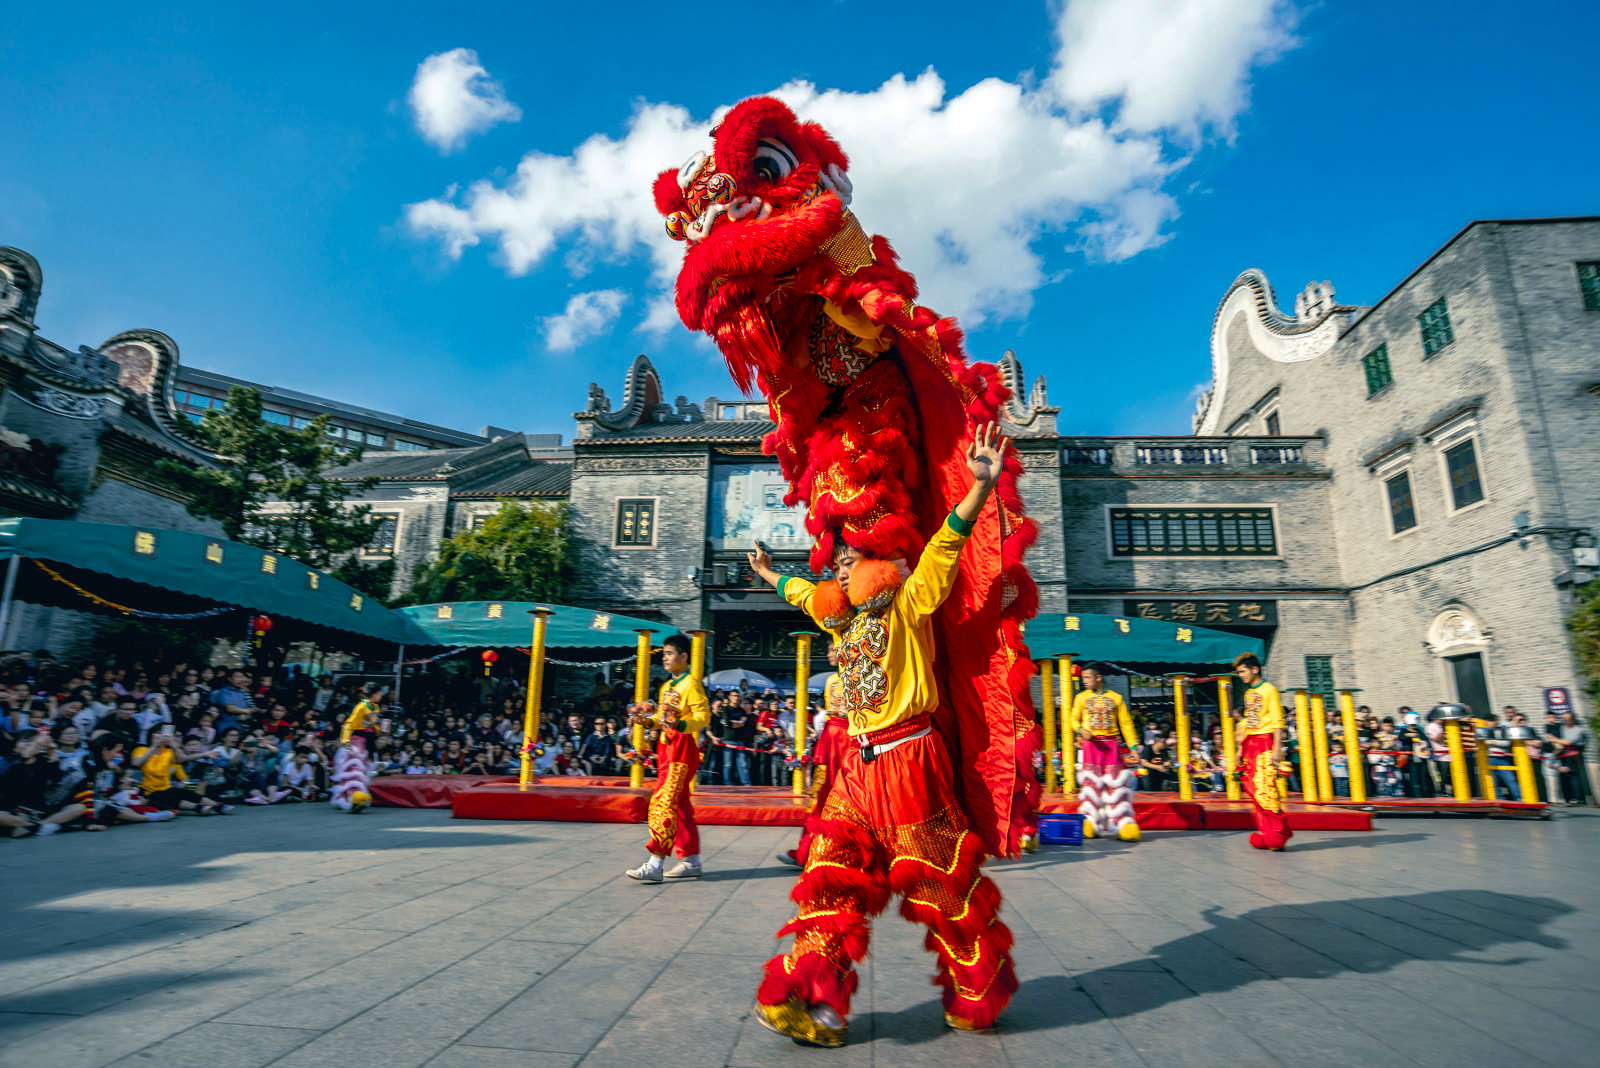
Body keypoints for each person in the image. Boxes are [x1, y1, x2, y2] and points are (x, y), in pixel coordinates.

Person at [745, 423, 1017, 1045]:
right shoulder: (839, 618)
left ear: (880, 554)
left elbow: (948, 542)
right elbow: (798, 593)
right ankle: (817, 997)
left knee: (939, 882)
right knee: (830, 872)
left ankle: (978, 987)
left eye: (849, 552)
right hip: (858, 769)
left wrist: (981, 485)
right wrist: (766, 573)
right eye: (835, 555)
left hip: (912, 761)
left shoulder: (910, 600)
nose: (839, 561)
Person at [624, 634, 712, 883]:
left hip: (682, 750)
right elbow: (662, 719)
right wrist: (645, 720)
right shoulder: (667, 687)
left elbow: (703, 716)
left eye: (670, 653)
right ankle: (691, 860)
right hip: (666, 749)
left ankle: (655, 863)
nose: (665, 657)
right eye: (663, 653)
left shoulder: (691, 684)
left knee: (662, 802)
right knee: (680, 806)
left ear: (684, 656)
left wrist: (682, 723)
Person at [779, 642, 850, 867]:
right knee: (818, 796)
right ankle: (807, 851)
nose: (828, 654)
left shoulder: (861, 673)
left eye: (833, 650)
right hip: (831, 738)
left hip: (851, 738)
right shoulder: (831, 680)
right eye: (828, 649)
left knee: (849, 797)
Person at [1071, 665, 1142, 841]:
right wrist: (1081, 729)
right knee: (1091, 785)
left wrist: (1133, 747)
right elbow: (1072, 719)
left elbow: (1126, 723)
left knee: (1116, 785)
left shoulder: (1116, 698)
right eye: (1083, 678)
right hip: (1091, 746)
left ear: (1098, 677)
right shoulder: (1081, 698)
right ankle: (1091, 821)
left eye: (1087, 678)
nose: (1084, 681)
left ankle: (1121, 822)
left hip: (1112, 745)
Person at [1232, 652, 1290, 851]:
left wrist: (1276, 749)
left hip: (1265, 743)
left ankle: (1279, 832)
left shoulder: (1269, 690)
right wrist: (1240, 748)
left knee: (1266, 788)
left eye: (1243, 671)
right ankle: (1266, 833)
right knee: (1253, 790)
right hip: (1251, 743)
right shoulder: (1249, 693)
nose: (1241, 675)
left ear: (1254, 669)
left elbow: (1277, 721)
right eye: (1238, 672)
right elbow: (1249, 721)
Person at [331, 685, 380, 812]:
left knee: (362, 771)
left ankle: (357, 798)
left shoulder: (375, 707)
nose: (380, 695)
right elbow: (349, 724)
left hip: (367, 742)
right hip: (356, 742)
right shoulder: (361, 706)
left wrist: (379, 729)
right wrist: (346, 742)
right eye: (379, 693)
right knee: (354, 770)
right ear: (374, 694)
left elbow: (372, 725)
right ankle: (350, 798)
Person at [1551, 710, 1591, 805]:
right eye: (1564, 719)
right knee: (1564, 776)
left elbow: (1568, 742)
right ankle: (1568, 797)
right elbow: (1559, 741)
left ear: (1573, 720)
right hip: (1563, 754)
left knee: (1573, 776)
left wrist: (1555, 739)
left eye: (1568, 719)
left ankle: (1578, 798)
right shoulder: (1562, 728)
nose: (1565, 721)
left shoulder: (1578, 730)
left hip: (1573, 755)